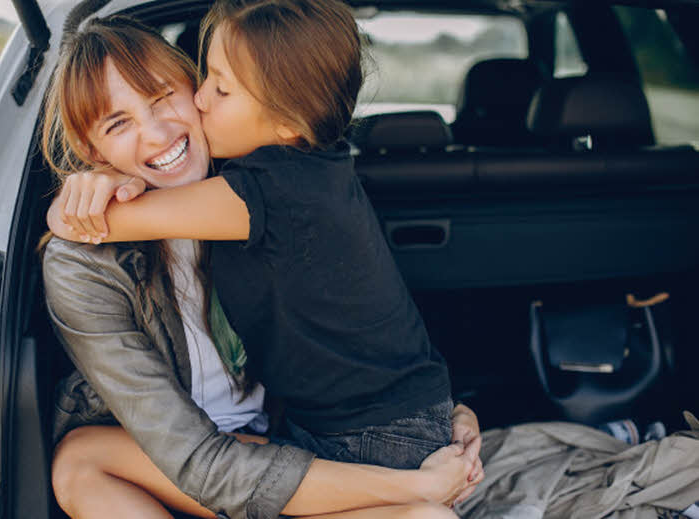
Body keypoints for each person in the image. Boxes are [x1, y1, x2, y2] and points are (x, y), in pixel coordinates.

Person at [42, 15, 482, 519]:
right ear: (90, 150)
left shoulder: (260, 184)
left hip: (287, 443)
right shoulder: (84, 268)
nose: (157, 133)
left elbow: (366, 324)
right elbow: (198, 460)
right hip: (191, 464)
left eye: (165, 97)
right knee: (77, 459)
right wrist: (411, 486)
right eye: (118, 123)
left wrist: (447, 419)